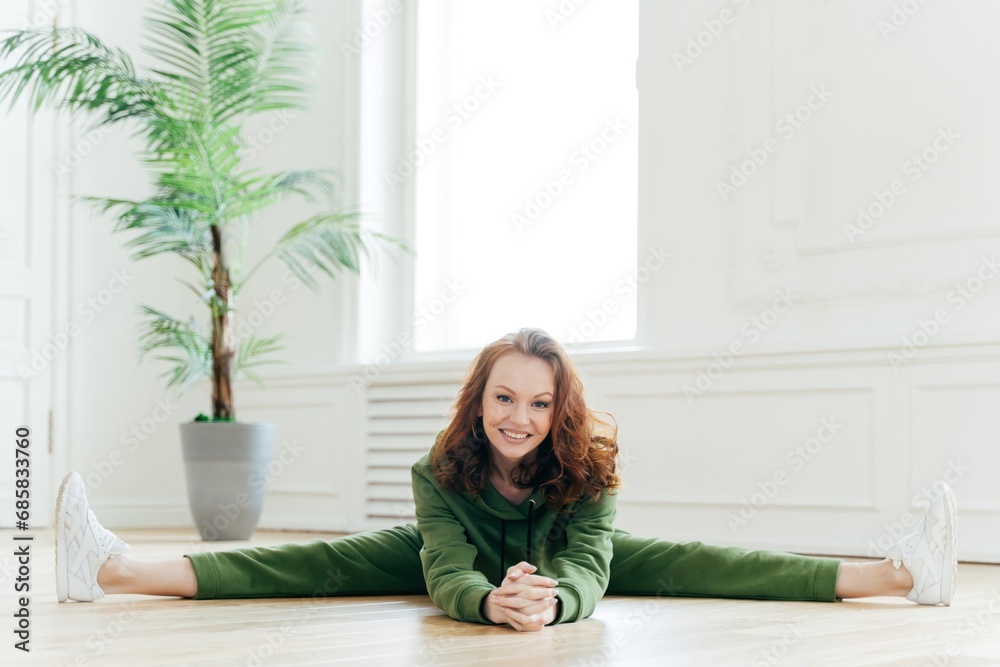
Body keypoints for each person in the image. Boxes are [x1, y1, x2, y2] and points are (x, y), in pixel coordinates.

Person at [56, 328, 957, 631]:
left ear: (558, 410)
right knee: (302, 563)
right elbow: (445, 572)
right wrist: (489, 603)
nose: (516, 417)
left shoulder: (590, 470)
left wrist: (553, 600)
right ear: (479, 397)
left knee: (705, 558)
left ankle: (901, 572)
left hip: (560, 556)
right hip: (460, 555)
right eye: (502, 397)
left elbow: (594, 564)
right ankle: (110, 567)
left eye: (536, 402)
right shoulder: (438, 470)